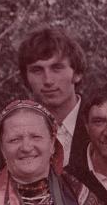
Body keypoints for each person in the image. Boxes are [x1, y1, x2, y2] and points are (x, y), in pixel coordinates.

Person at [17, 27, 88, 170]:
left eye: (57, 68)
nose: (48, 80)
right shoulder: (15, 131)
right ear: (26, 78)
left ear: (77, 73)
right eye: (37, 70)